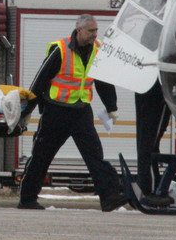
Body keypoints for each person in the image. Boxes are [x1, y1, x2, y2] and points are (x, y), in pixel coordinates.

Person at [17, 14, 128, 212]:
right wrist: (29, 109)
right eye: (91, 31)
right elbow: (40, 80)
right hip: (56, 111)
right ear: (79, 31)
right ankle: (27, 199)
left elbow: (103, 81)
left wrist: (112, 107)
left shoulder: (98, 49)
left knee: (95, 156)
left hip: (81, 111)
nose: (95, 34)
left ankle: (109, 198)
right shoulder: (60, 49)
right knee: (41, 156)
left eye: (96, 31)